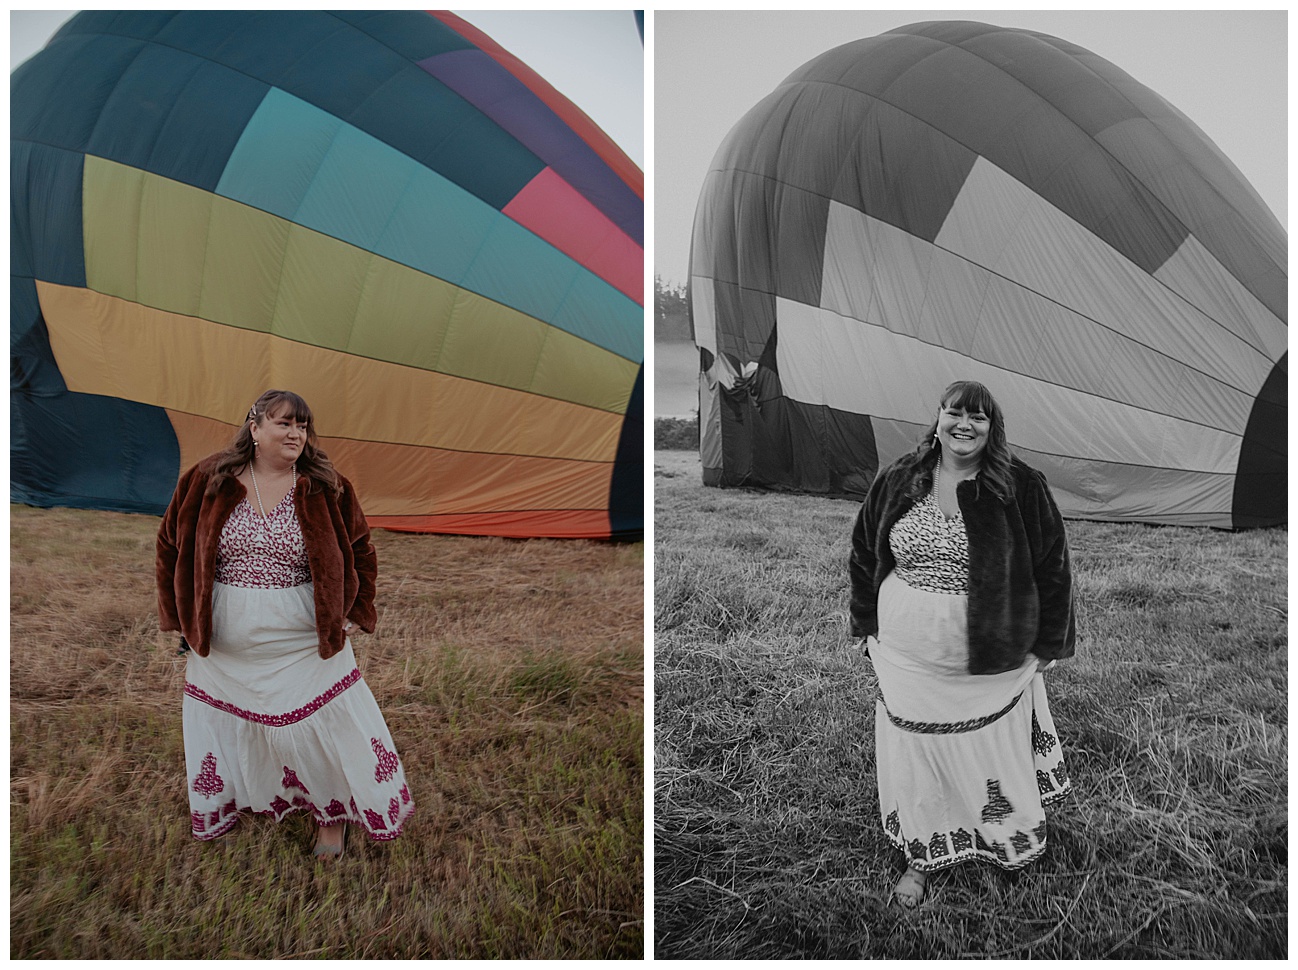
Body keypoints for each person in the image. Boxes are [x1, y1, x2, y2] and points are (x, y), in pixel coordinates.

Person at [156, 389, 413, 858]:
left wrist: (355, 610)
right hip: (225, 637)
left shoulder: (325, 485)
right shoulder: (209, 477)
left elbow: (361, 550)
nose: (296, 434)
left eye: (302, 426)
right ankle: (236, 803)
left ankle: (332, 821)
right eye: (285, 424)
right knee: (231, 724)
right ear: (254, 428)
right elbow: (171, 542)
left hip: (302, 635)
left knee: (318, 727)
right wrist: (180, 619)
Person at [848, 380, 1076, 908]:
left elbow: (1053, 568)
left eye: (978, 417)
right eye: (955, 413)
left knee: (988, 746)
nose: (964, 425)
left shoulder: (1020, 484)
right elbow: (864, 550)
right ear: (938, 417)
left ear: (992, 428)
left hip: (992, 648)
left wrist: (1049, 641)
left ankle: (1004, 839)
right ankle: (922, 856)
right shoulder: (902, 477)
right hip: (906, 647)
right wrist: (863, 621)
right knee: (917, 749)